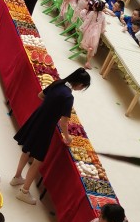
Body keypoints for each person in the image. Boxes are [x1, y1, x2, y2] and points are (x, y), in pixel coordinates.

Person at [10, 68, 91, 205]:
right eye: (83, 87)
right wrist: (67, 137)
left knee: (26, 150)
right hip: (45, 127)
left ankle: (17, 177)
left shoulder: (57, 83)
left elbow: (40, 95)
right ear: (80, 84)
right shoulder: (68, 97)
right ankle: (24, 191)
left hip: (37, 118)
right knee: (37, 160)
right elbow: (64, 122)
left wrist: (50, 107)